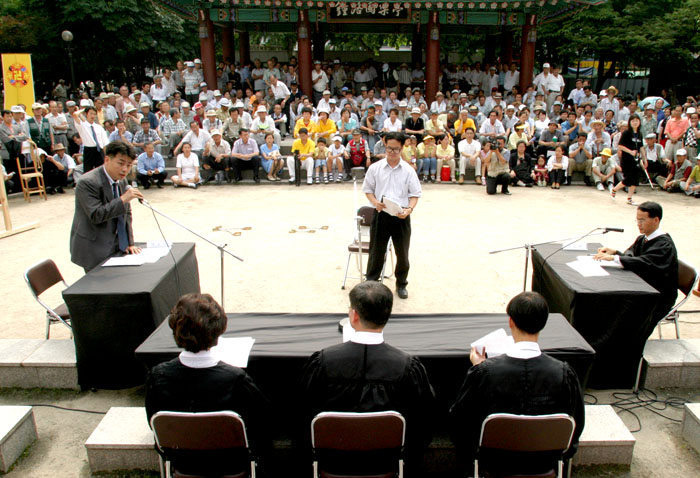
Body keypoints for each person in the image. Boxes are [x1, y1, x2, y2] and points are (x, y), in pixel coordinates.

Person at [299, 281, 435, 473]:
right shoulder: (407, 367)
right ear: (387, 315)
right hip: (387, 464)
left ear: (354, 315)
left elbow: (300, 416)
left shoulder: (323, 363)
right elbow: (424, 422)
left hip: (332, 464)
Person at [449, 292, 585, 473]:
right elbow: (576, 424)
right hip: (544, 463)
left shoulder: (484, 373)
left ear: (511, 322)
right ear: (543, 323)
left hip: (494, 463)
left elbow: (459, 420)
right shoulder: (563, 374)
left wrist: (479, 368)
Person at [146, 293, 270, 475]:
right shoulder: (236, 379)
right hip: (231, 464)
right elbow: (262, 423)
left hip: (184, 463)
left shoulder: (158, 376)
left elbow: (154, 423)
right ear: (218, 331)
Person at [594, 201, 679, 334]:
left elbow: (646, 263)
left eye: (642, 220)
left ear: (656, 220)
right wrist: (615, 252)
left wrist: (614, 258)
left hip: (656, 296)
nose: (639, 224)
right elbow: (633, 257)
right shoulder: (642, 239)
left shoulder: (664, 245)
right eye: (637, 220)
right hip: (640, 287)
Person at [362, 132, 421, 299]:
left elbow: (415, 194)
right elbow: (368, 190)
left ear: (402, 148)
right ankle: (371, 284)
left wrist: (409, 209)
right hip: (381, 214)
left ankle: (401, 284)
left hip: (401, 216)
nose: (392, 152)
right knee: (376, 251)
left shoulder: (408, 170)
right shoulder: (375, 168)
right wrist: (375, 202)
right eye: (389, 149)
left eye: (396, 149)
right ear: (385, 146)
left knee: (402, 253)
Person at [69, 140, 143, 272]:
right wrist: (122, 199)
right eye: (120, 163)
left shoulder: (122, 180)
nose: (125, 169)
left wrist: (129, 242)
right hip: (93, 247)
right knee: (99, 283)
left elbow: (126, 213)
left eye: (129, 165)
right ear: (107, 159)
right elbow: (96, 215)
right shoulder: (87, 182)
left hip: (116, 244)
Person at [611, 114, 644, 204]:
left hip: (636, 159)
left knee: (635, 179)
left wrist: (644, 159)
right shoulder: (626, 133)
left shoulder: (640, 134)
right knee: (628, 179)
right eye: (633, 121)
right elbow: (620, 146)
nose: (635, 122)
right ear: (630, 122)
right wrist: (630, 152)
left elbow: (641, 147)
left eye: (637, 120)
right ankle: (614, 189)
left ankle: (629, 198)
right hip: (627, 159)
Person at [72, 105, 109, 172]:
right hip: (89, 149)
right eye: (91, 113)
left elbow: (104, 143)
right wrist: (83, 110)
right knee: (88, 171)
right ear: (86, 114)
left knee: (101, 170)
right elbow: (75, 115)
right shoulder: (82, 125)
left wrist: (105, 154)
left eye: (94, 114)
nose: (93, 116)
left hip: (99, 149)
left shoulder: (99, 127)